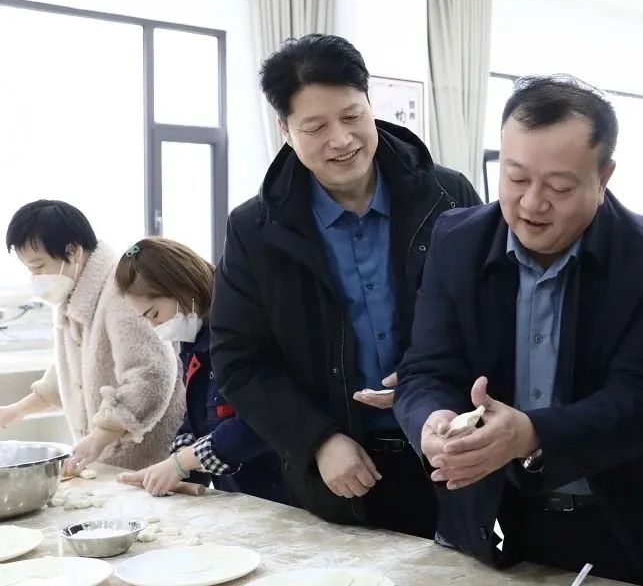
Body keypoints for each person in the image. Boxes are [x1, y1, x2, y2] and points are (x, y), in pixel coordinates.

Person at [394, 76, 643, 586]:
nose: (531, 204)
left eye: (559, 187)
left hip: (639, 526)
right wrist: (432, 421)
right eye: (515, 178)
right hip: (512, 524)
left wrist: (530, 434)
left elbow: (639, 406)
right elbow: (426, 367)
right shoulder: (457, 241)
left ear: (603, 177)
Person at [210, 34, 482, 536]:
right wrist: (316, 440)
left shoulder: (447, 196)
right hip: (338, 473)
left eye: (352, 116)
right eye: (316, 127)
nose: (341, 140)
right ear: (285, 129)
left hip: (452, 452)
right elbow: (239, 359)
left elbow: (490, 312)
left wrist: (432, 381)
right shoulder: (255, 229)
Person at [0, 201, 185, 474]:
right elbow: (69, 375)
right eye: (29, 269)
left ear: (73, 251)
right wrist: (16, 410)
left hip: (151, 464)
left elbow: (151, 375)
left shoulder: (121, 292)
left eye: (38, 266)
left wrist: (101, 436)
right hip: (111, 463)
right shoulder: (71, 296)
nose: (35, 278)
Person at [112, 237, 285, 502]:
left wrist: (183, 462)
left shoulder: (243, 327)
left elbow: (261, 420)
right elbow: (196, 417)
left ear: (182, 288)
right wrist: (174, 466)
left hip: (281, 488)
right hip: (239, 496)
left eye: (154, 314)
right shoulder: (193, 338)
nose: (155, 328)